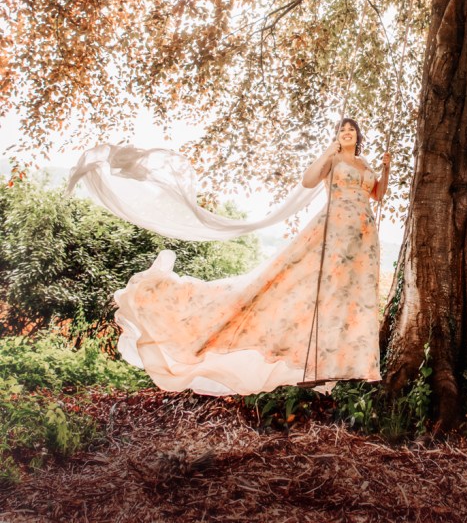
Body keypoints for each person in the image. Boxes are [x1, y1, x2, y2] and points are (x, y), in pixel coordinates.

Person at [110, 118, 390, 396]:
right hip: (334, 229)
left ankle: (349, 363)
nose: (346, 133)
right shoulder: (333, 159)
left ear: (358, 135)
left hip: (363, 237)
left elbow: (377, 193)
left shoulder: (364, 165)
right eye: (342, 130)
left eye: (351, 130)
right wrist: (327, 152)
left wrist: (386, 169)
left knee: (351, 297)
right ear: (337, 136)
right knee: (309, 289)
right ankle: (311, 362)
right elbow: (308, 181)